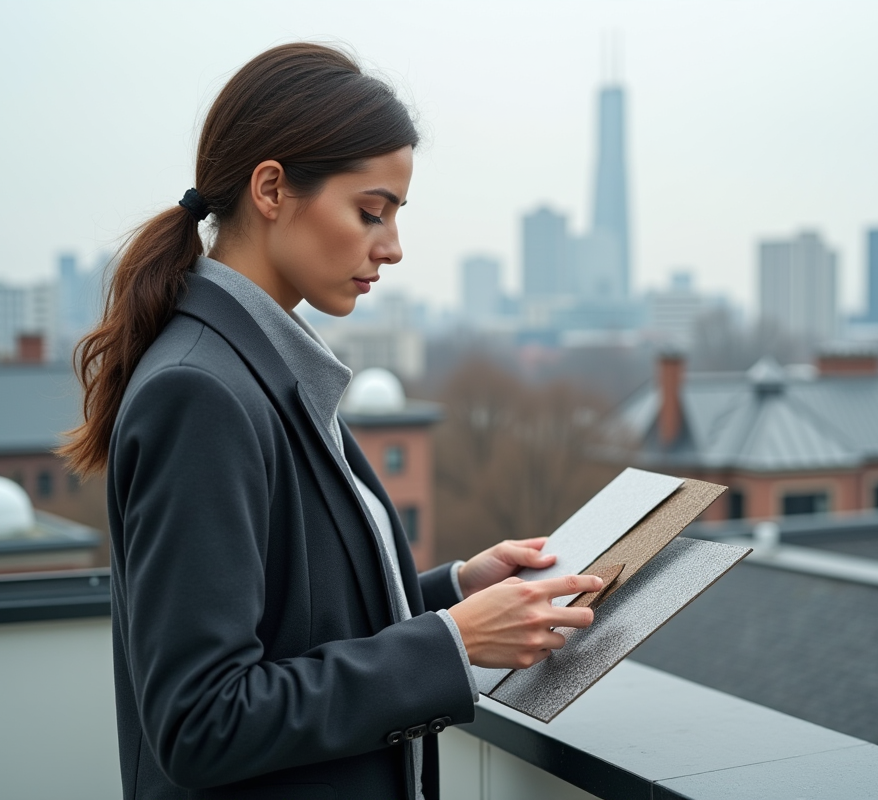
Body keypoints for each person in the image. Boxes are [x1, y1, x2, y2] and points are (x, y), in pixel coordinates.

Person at [61, 42, 602, 800]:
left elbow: (297, 618)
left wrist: (451, 593)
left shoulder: (260, 367)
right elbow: (201, 721)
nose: (393, 247)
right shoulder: (202, 393)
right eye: (370, 211)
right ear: (272, 189)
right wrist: (452, 645)